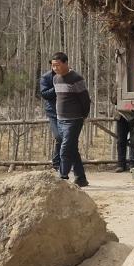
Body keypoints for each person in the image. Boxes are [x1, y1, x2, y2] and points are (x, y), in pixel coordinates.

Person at [51, 52, 91, 188]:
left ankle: (62, 177)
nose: (55, 68)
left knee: (65, 149)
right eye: (53, 66)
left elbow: (85, 99)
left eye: (57, 65)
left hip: (74, 119)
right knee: (72, 149)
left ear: (65, 63)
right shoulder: (55, 79)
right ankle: (81, 178)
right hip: (60, 119)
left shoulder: (76, 78)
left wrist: (84, 115)